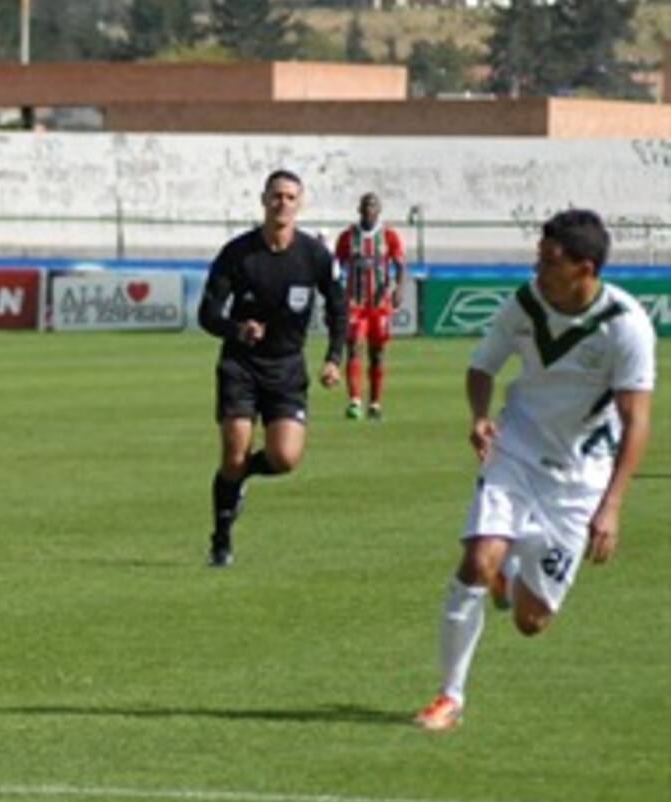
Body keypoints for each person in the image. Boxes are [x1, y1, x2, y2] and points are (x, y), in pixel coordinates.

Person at [414, 209, 656, 732]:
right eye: (539, 257)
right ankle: (448, 696)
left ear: (584, 268)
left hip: (579, 477)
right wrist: (480, 416)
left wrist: (612, 506)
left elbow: (637, 420)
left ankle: (513, 576)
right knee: (476, 560)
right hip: (516, 449)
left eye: (549, 261)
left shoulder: (626, 325)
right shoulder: (524, 303)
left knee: (531, 622)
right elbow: (482, 367)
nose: (537, 268)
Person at [198, 169, 347, 568]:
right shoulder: (237, 253)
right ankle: (221, 539)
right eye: (276, 196)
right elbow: (207, 314)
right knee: (233, 455)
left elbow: (338, 307)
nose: (283, 203)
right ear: (264, 201)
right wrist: (236, 328)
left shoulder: (314, 255)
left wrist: (334, 357)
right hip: (240, 365)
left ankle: (242, 480)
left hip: (286, 368)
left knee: (284, 458)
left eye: (290, 197)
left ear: (300, 204)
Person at [334, 192, 405, 421]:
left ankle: (374, 404)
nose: (369, 210)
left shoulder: (388, 235)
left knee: (378, 353)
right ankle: (354, 401)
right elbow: (336, 266)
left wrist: (399, 288)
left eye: (373, 206)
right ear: (359, 209)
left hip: (379, 303)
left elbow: (400, 264)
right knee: (353, 346)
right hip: (355, 302)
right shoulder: (347, 236)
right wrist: (336, 291)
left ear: (379, 210)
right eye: (365, 206)